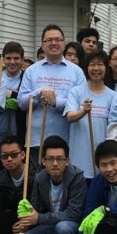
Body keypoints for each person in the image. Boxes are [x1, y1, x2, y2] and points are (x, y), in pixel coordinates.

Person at [17, 135, 86, 234]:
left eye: (60, 159)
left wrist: (40, 218)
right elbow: (35, 207)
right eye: (50, 159)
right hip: (51, 223)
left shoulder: (77, 177)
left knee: (63, 228)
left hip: (73, 225)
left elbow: (74, 214)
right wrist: (25, 219)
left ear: (67, 161)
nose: (55, 163)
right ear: (43, 161)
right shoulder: (40, 178)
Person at [18, 26, 86, 163]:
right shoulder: (31, 71)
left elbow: (81, 105)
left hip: (66, 141)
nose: (53, 43)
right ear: (42, 45)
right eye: (49, 40)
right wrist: (38, 93)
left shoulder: (76, 72)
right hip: (36, 141)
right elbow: (21, 103)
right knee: (36, 182)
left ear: (64, 44)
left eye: (57, 40)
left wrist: (55, 102)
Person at [65, 51, 115, 178]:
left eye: (100, 65)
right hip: (78, 160)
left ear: (106, 67)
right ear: (86, 68)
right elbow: (70, 117)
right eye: (92, 65)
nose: (96, 69)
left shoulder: (113, 96)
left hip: (102, 159)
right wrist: (83, 111)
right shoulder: (76, 92)